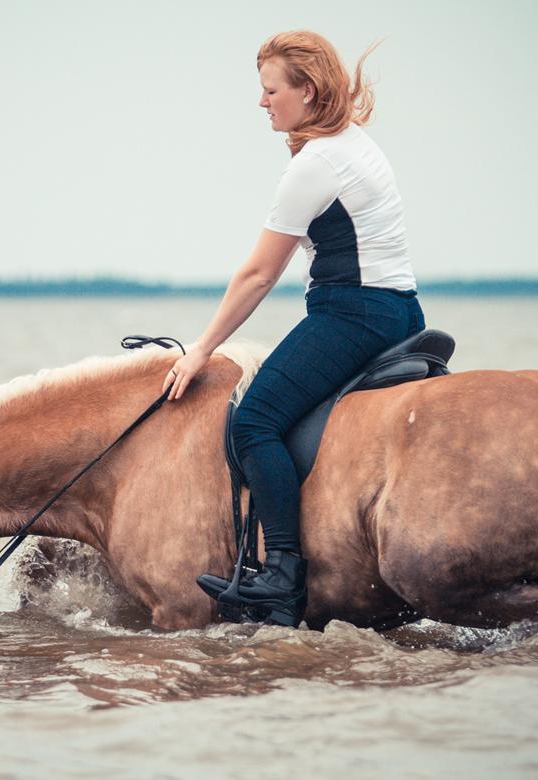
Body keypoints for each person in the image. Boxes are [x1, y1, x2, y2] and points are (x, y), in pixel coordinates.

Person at [162, 30, 426, 628]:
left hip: (352, 314)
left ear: (305, 91)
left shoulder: (315, 164)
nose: (263, 103)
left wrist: (201, 349)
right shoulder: (356, 143)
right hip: (404, 310)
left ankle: (282, 573)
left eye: (270, 89)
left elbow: (257, 274)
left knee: (254, 421)